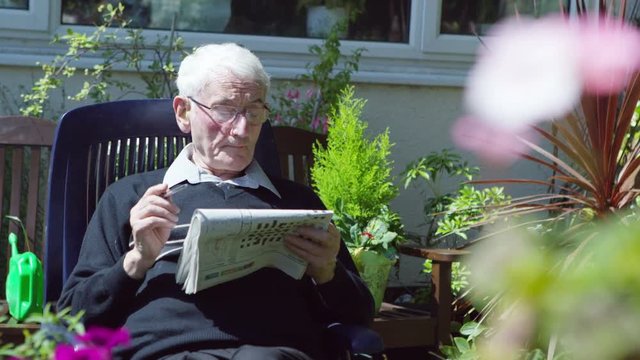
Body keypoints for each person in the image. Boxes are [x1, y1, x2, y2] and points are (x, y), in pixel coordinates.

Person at [56, 43, 374, 360]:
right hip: (165, 352)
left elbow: (360, 316)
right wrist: (136, 261)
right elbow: (73, 317)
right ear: (184, 112)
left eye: (253, 111)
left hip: (271, 352)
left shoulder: (296, 202)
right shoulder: (133, 197)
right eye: (224, 110)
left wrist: (328, 271)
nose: (241, 130)